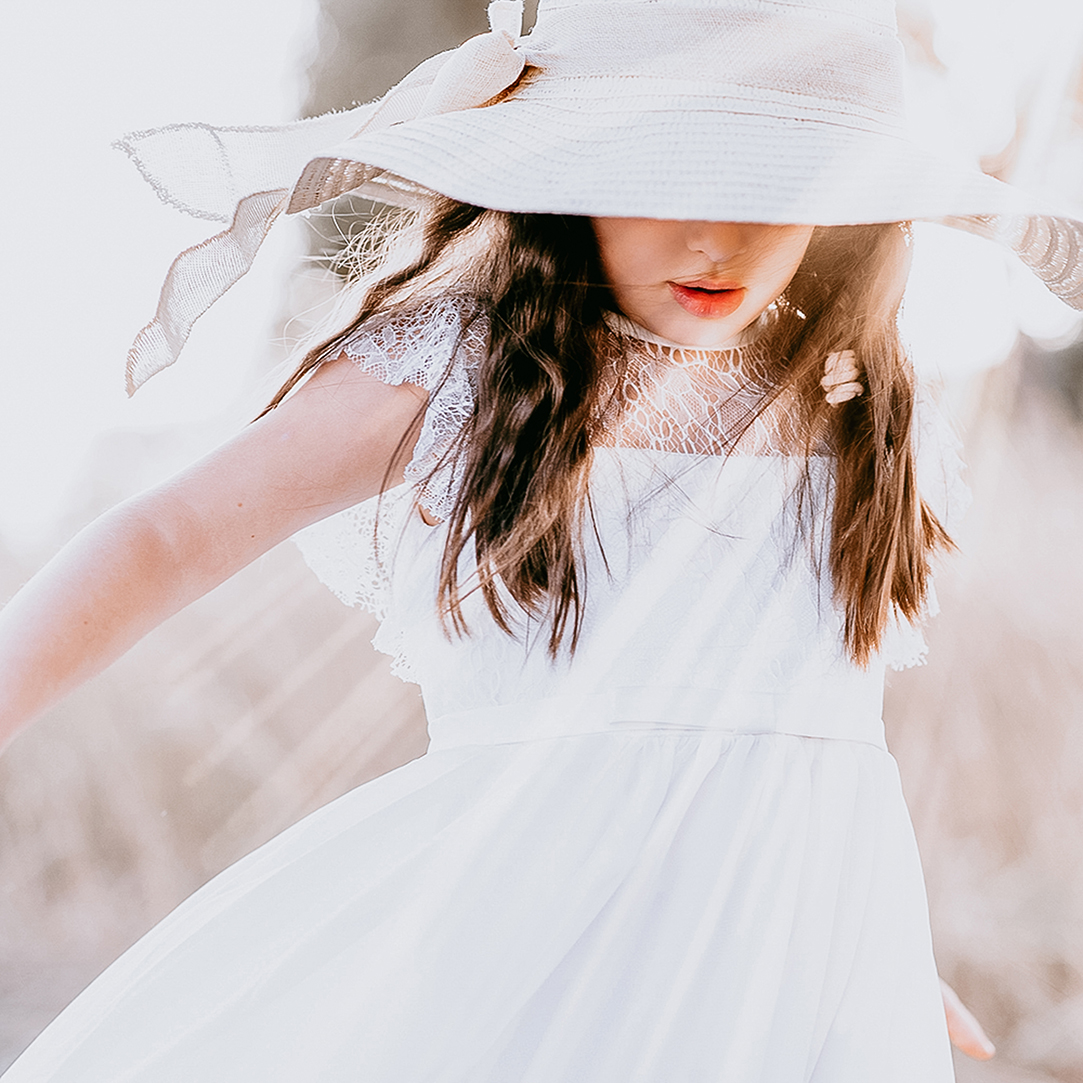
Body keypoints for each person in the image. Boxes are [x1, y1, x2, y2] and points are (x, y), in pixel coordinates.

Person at [1, 0, 1080, 1078]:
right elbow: (170, 534)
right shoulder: (463, 366)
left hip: (787, 994)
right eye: (668, 177)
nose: (721, 238)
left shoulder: (857, 410)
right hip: (528, 974)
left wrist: (861, 934)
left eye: (777, 186)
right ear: (570, 169)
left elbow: (803, 737)